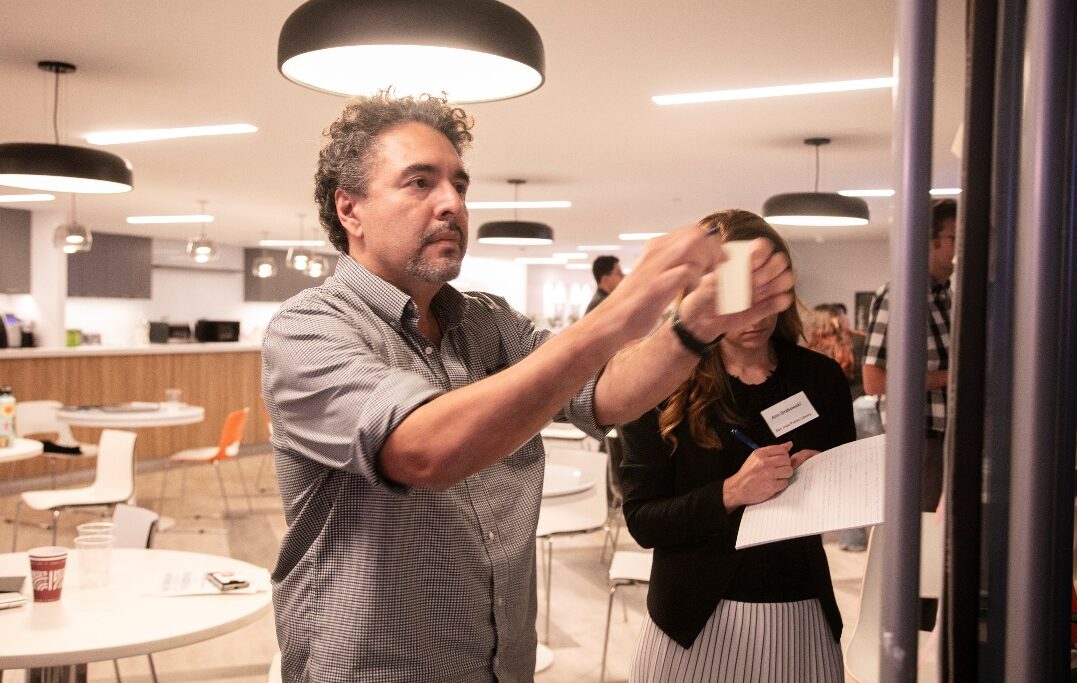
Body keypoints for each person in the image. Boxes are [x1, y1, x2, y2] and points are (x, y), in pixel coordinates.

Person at [261, 93, 796, 682]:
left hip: (499, 663)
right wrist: (617, 315)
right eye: (420, 182)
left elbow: (606, 393)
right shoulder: (308, 329)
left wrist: (693, 328)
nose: (452, 203)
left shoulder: (486, 322)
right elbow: (425, 450)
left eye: (459, 185)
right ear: (350, 209)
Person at [620, 209, 854, 682]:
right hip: (694, 619)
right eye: (739, 297)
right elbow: (643, 521)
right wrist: (733, 491)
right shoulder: (659, 383)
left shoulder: (820, 377)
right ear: (701, 294)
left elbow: (845, 500)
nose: (756, 316)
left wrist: (825, 478)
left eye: (767, 295)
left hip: (800, 607)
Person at [863, 198, 956, 512]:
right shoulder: (899, 295)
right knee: (923, 525)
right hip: (919, 437)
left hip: (946, 434)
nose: (961, 247)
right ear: (931, 242)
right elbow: (874, 381)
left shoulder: (946, 295)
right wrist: (953, 376)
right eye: (954, 238)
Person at [806, 303, 874, 551]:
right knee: (865, 478)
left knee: (843, 478)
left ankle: (847, 539)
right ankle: (867, 539)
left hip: (827, 417)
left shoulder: (810, 350)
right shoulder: (859, 341)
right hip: (863, 408)